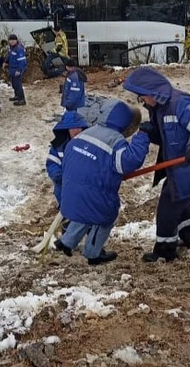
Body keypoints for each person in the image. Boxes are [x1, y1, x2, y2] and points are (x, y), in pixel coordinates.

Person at [122, 67, 190, 262]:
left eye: (142, 97)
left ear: (152, 92)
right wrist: (151, 133)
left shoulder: (180, 104)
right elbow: (169, 134)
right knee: (175, 196)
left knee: (168, 207)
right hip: (180, 166)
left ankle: (165, 250)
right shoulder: (159, 109)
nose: (142, 101)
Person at [55, 100, 150, 265]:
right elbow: (128, 162)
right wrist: (142, 137)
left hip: (68, 195)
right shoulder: (115, 140)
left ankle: (66, 242)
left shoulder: (86, 133)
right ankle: (93, 253)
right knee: (104, 215)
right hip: (94, 198)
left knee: (85, 208)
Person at [45, 111, 89, 208]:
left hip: (85, 192)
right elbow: (52, 164)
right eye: (73, 128)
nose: (76, 131)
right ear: (67, 129)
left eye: (78, 127)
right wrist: (61, 177)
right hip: (64, 190)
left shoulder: (90, 146)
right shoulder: (59, 146)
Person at [5, 34, 27, 106]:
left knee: (18, 84)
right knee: (14, 84)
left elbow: (22, 61)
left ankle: (21, 99)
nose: (11, 41)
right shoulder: (11, 48)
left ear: (16, 40)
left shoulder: (19, 49)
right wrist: (5, 62)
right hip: (12, 68)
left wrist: (19, 70)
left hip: (17, 69)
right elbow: (9, 56)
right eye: (10, 40)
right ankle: (17, 96)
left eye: (13, 40)